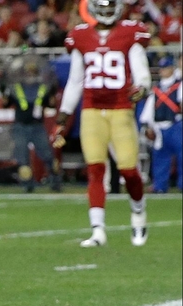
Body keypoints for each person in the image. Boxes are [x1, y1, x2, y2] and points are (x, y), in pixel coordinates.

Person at [52, 0, 151, 247]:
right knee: (95, 168)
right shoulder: (81, 35)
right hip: (92, 110)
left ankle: (138, 212)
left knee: (128, 169)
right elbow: (75, 81)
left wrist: (142, 87)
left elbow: (141, 70)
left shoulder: (130, 32)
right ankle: (98, 230)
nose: (107, 12)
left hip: (120, 110)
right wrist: (63, 115)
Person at [2, 55, 61, 192]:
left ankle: (55, 180)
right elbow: (5, 103)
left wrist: (52, 95)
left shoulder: (42, 88)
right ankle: (27, 183)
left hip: (37, 125)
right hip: (20, 125)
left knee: (47, 155)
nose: (30, 74)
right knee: (22, 157)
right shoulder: (16, 87)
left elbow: (51, 105)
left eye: (32, 71)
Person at [139, 55, 182, 193]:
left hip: (175, 125)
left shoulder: (179, 85)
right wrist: (148, 126)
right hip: (159, 127)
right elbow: (149, 109)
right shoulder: (156, 89)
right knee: (160, 158)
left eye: (166, 68)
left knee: (181, 155)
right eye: (161, 69)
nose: (163, 71)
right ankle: (160, 185)